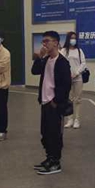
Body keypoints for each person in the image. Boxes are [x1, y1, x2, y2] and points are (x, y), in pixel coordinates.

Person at [31, 31, 72, 175]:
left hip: (54, 104)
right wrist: (39, 57)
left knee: (55, 134)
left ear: (56, 43)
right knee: (45, 133)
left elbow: (66, 85)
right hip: (44, 101)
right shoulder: (46, 59)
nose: (44, 44)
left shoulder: (62, 62)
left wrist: (56, 101)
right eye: (43, 41)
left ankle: (56, 162)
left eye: (47, 41)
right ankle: (49, 158)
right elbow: (34, 71)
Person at [60, 32, 87, 130]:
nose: (73, 40)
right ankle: (70, 119)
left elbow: (83, 63)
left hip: (78, 78)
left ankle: (77, 120)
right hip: (66, 78)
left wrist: (76, 73)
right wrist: (66, 74)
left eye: (75, 38)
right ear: (68, 39)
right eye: (71, 38)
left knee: (78, 99)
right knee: (69, 99)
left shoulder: (79, 51)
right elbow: (60, 63)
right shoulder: (63, 51)